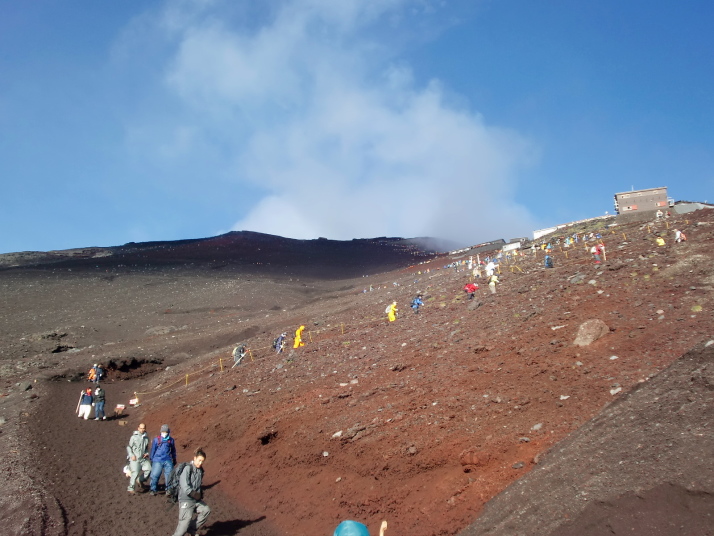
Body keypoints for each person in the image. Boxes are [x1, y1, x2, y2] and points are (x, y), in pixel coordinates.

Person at [171, 448, 211, 536]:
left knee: (206, 510)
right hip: (186, 499)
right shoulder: (187, 468)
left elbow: (198, 485)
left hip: (195, 499)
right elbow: (184, 485)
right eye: (199, 460)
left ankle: (191, 529)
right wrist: (193, 493)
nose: (200, 463)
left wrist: (199, 493)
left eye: (202, 461)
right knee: (183, 525)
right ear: (194, 458)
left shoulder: (200, 471)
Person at [149, 424, 177, 495]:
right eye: (163, 432)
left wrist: (174, 458)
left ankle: (169, 489)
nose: (164, 433)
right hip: (157, 459)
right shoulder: (156, 440)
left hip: (167, 459)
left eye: (166, 432)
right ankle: (153, 489)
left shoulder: (171, 440)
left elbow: (173, 450)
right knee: (155, 474)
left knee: (169, 475)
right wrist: (151, 459)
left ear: (168, 432)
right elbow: (153, 450)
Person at [126, 423, 151, 494]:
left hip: (143, 458)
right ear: (138, 428)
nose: (142, 430)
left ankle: (140, 480)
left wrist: (147, 453)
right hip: (135, 458)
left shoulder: (146, 438)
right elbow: (129, 447)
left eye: (143, 428)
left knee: (149, 469)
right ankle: (131, 488)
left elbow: (146, 448)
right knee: (135, 473)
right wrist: (131, 455)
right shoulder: (133, 437)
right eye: (141, 428)